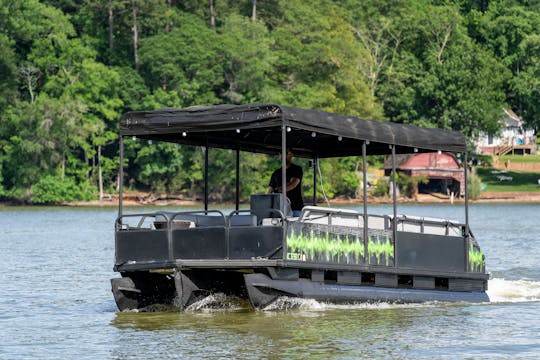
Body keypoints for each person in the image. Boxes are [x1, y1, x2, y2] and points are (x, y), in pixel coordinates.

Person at [268, 148, 304, 217]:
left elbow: (293, 184)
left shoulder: (297, 169)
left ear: (291, 156)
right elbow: (270, 191)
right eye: (282, 153)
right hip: (279, 209)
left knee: (296, 227)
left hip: (295, 208)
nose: (284, 155)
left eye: (287, 153)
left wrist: (278, 189)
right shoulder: (276, 173)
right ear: (279, 155)